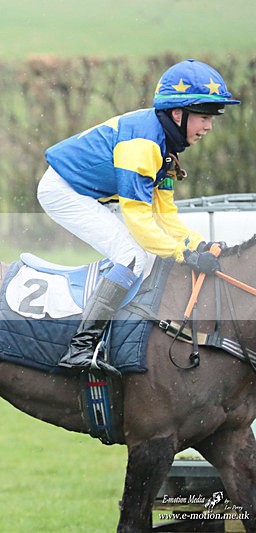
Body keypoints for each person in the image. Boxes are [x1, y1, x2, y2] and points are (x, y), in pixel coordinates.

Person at [36, 59, 240, 373]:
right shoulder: (144, 145)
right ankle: (80, 347)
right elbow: (139, 218)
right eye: (203, 117)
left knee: (142, 253)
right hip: (63, 191)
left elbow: (165, 214)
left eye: (211, 118)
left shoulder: (165, 145)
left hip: (87, 192)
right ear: (177, 114)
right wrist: (182, 254)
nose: (209, 127)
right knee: (132, 255)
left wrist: (198, 245)